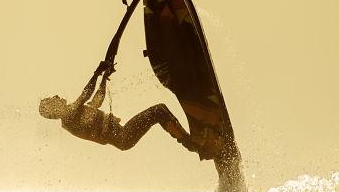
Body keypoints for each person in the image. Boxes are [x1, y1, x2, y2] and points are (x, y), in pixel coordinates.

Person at [39, 62, 221, 160]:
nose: (57, 96)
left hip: (122, 135)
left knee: (159, 111)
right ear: (53, 110)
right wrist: (97, 72)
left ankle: (194, 144)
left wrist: (104, 77)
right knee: (158, 110)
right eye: (52, 99)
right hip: (122, 137)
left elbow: (96, 100)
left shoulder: (74, 112)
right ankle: (192, 144)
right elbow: (85, 95)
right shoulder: (69, 118)